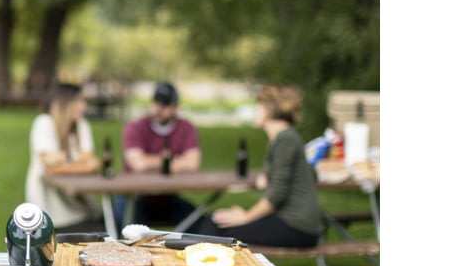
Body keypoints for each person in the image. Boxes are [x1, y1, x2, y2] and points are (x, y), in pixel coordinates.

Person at [196, 84, 325, 247]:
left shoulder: (285, 139)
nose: (256, 111)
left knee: (215, 227)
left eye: (259, 106)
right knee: (214, 220)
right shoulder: (283, 138)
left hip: (297, 227)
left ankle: (201, 261)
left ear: (270, 109)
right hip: (292, 222)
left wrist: (246, 216)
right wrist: (268, 177)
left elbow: (277, 194)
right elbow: (302, 174)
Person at [117, 81, 202, 228]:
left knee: (198, 222)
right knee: (126, 228)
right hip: (136, 196)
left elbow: (193, 163)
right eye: (156, 103)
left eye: (165, 105)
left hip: (167, 197)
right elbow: (138, 164)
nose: (158, 109)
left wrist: (152, 161)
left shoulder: (185, 127)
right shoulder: (135, 127)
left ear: (175, 107)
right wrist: (171, 161)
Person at [25, 83, 102, 231]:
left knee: (112, 224)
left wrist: (63, 161)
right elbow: (50, 166)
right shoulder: (44, 122)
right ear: (64, 103)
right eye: (79, 101)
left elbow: (92, 163)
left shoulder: (82, 125)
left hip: (82, 207)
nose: (83, 106)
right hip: (50, 213)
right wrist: (79, 163)